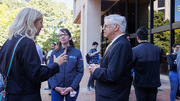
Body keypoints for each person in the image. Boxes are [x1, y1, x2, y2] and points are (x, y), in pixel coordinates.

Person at [0, 7, 68, 101]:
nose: (42, 26)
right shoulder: (27, 43)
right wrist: (56, 64)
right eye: (41, 22)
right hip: (26, 96)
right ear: (31, 22)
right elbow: (36, 76)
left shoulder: (8, 42)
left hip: (10, 95)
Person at [89, 14, 133, 101]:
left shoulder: (121, 45)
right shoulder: (117, 43)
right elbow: (113, 68)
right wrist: (99, 67)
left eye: (105, 25)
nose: (103, 28)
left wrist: (96, 70)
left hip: (112, 97)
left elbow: (112, 75)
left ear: (116, 27)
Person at [48, 28, 84, 101]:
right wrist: (55, 87)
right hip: (57, 88)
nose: (62, 37)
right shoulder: (54, 53)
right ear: (59, 38)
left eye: (65, 35)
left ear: (70, 37)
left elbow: (80, 71)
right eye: (60, 35)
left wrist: (72, 87)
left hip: (72, 88)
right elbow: (49, 71)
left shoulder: (77, 52)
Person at [132, 27, 161, 101]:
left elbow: (131, 65)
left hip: (140, 83)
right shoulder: (157, 49)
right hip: (154, 83)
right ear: (147, 37)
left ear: (137, 37)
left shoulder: (134, 50)